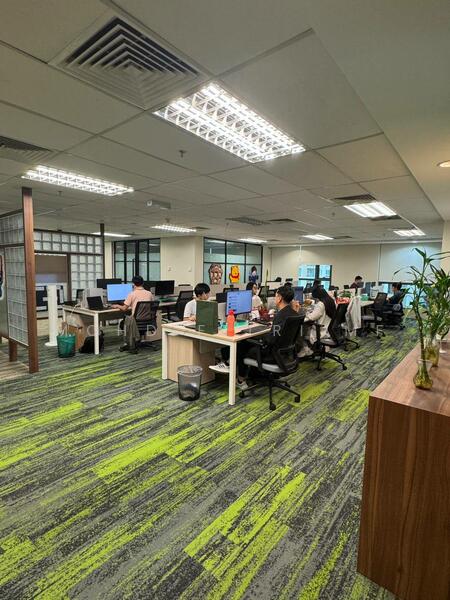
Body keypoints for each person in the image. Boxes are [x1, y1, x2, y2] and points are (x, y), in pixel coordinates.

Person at [236, 285, 298, 388]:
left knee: (242, 345)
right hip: (285, 353)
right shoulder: (293, 313)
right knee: (251, 342)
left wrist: (257, 338)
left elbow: (270, 340)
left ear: (280, 298)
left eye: (276, 295)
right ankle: (254, 375)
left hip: (272, 355)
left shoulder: (280, 316)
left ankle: (241, 379)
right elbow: (277, 334)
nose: (274, 298)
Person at [111, 275, 153, 352]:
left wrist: (117, 305)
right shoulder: (149, 293)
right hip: (147, 321)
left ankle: (129, 343)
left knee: (122, 323)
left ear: (133, 284)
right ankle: (136, 340)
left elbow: (124, 308)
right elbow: (151, 305)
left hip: (135, 322)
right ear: (143, 283)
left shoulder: (132, 294)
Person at [298, 285, 336, 357]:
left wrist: (304, 315)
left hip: (320, 331)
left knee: (299, 332)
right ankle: (312, 348)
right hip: (328, 329)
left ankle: (306, 349)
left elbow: (312, 317)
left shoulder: (321, 304)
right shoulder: (330, 300)